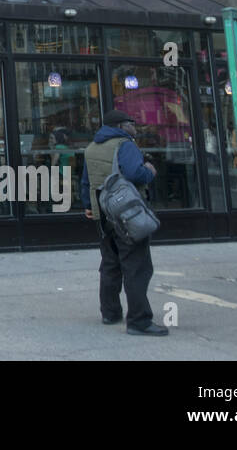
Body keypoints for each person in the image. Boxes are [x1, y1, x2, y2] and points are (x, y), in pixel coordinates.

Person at [81, 110, 167, 337]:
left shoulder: (91, 147)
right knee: (137, 266)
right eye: (131, 123)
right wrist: (149, 170)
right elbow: (134, 174)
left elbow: (86, 182)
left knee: (110, 263)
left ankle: (110, 312)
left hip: (103, 214)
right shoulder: (125, 145)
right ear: (121, 126)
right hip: (126, 214)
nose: (135, 127)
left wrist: (88, 206)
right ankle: (139, 321)